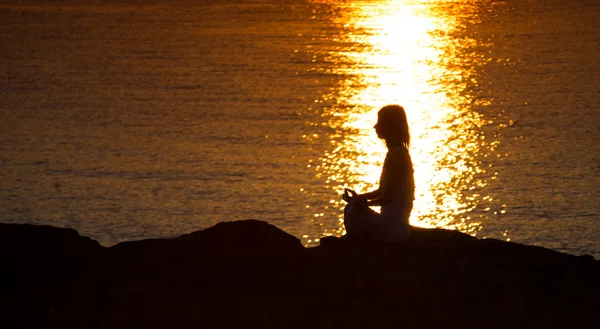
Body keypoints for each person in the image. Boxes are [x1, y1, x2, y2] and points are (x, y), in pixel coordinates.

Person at [342, 105, 415, 241]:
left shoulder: (398, 156)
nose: (375, 126)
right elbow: (382, 191)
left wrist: (363, 204)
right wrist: (359, 198)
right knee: (350, 208)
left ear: (390, 126)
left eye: (380, 122)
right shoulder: (393, 154)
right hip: (390, 224)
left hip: (394, 228)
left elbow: (387, 198)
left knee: (354, 211)